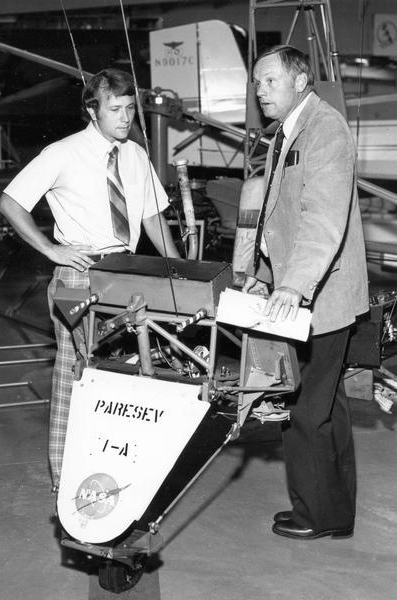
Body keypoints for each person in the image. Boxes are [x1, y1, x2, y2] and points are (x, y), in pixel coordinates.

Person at [0, 68, 180, 489]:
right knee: (74, 373)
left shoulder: (134, 154)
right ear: (91, 109)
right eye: (115, 109)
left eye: (130, 109)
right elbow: (11, 202)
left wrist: (177, 267)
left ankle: (114, 470)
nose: (125, 117)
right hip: (76, 277)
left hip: (126, 273)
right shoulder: (63, 153)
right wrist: (51, 249)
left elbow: (151, 214)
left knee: (123, 373)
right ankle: (65, 478)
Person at [242, 45, 369, 539]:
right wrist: (263, 273)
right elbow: (279, 214)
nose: (260, 91)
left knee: (306, 412)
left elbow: (323, 218)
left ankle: (313, 517)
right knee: (329, 407)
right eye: (256, 83)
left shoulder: (324, 127)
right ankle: (335, 516)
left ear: (300, 80)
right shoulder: (289, 131)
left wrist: (293, 285)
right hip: (306, 292)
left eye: (269, 81)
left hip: (322, 297)